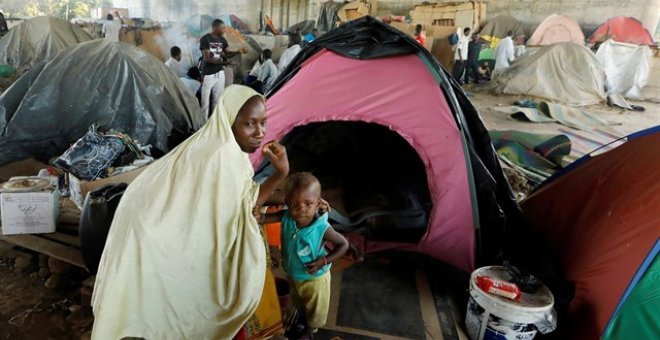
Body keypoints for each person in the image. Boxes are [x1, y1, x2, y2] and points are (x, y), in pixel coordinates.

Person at [91, 85, 290, 340]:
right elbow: (245, 206)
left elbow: (241, 196)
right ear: (228, 121)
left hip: (146, 219)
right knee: (185, 300)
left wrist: (281, 193)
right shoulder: (221, 157)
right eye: (250, 124)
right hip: (150, 231)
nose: (260, 133)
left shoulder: (216, 141)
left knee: (147, 302)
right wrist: (281, 174)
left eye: (264, 123)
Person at [257, 172, 349, 339]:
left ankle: (310, 332)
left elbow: (344, 244)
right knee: (299, 301)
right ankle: (300, 318)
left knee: (315, 309)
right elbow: (263, 219)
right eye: (294, 204)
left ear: (318, 204)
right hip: (294, 275)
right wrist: (258, 215)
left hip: (315, 280)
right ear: (286, 203)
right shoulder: (287, 217)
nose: (301, 209)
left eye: (308, 203)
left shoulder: (321, 228)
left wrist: (324, 260)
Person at [199, 19, 247, 118]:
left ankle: (214, 122)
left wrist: (238, 51)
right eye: (223, 28)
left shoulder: (223, 40)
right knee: (205, 102)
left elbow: (227, 54)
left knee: (217, 100)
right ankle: (203, 125)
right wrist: (226, 62)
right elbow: (207, 59)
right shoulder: (205, 39)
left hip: (220, 74)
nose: (224, 30)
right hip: (209, 74)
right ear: (215, 28)